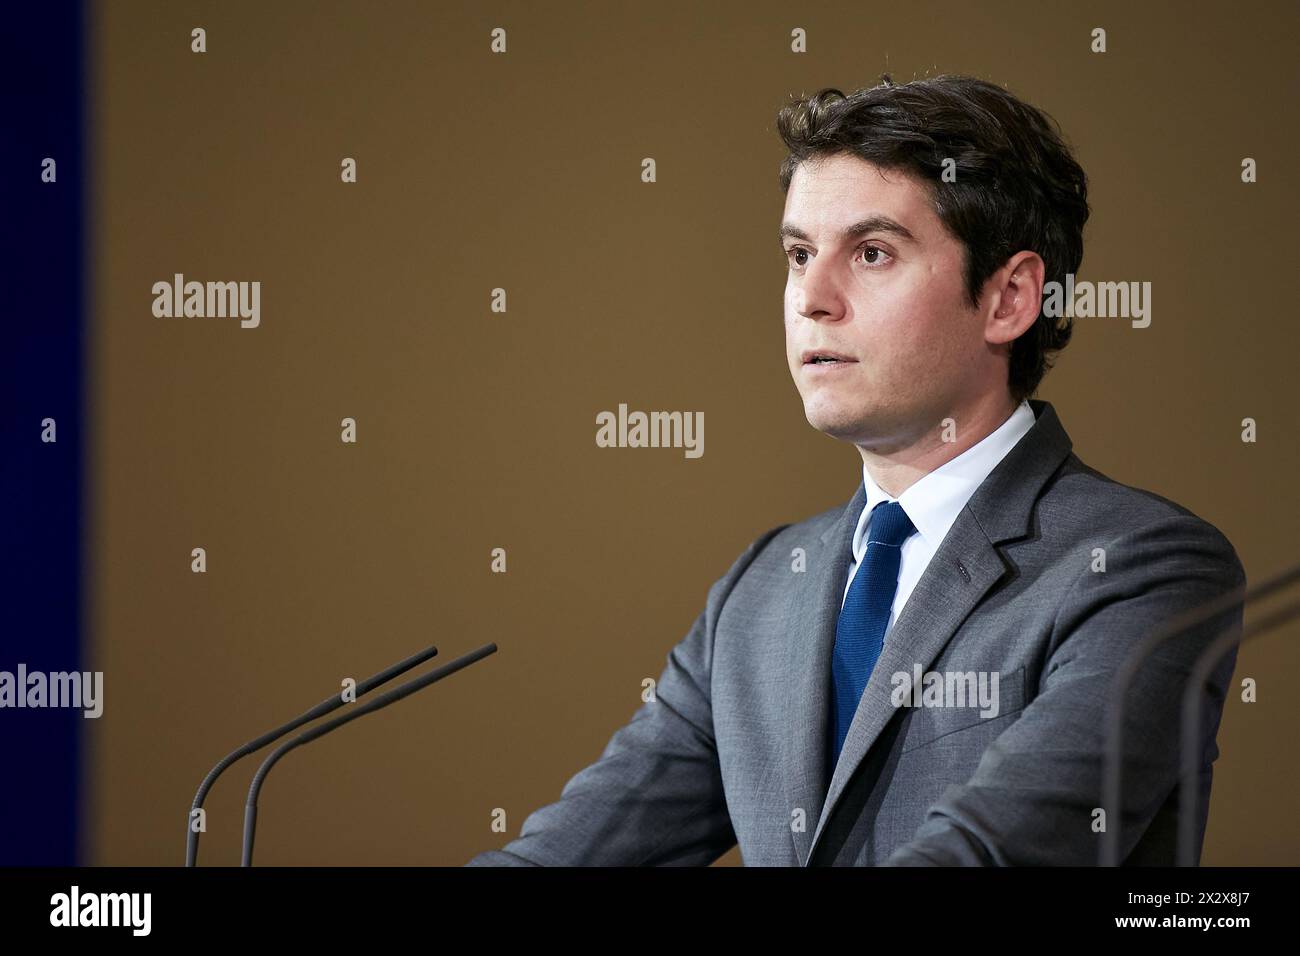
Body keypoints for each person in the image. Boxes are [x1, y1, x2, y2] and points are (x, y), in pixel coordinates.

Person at [466, 74, 1244, 866]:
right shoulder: (760, 590)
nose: (811, 297)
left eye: (871, 253)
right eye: (799, 253)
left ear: (1010, 299)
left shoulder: (1141, 567)